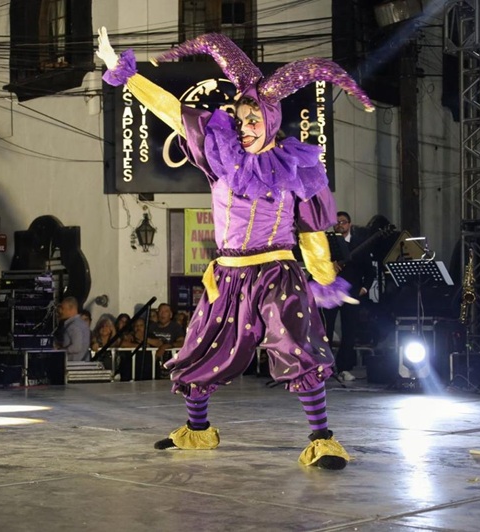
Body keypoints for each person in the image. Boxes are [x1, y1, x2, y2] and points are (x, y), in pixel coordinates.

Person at [97, 28, 373, 469]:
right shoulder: (222, 151)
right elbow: (171, 110)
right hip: (227, 275)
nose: (244, 128)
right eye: (241, 119)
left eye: (254, 121)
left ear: (271, 120)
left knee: (296, 347)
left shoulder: (294, 165)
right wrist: (125, 74)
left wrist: (324, 277)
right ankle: (197, 431)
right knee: (201, 348)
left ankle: (322, 439)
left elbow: (310, 230)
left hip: (276, 272)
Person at [322, 211, 376, 381]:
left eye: (343, 222)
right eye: (336, 222)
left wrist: (365, 288)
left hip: (351, 292)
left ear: (349, 224)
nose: (340, 225)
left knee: (349, 331)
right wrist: (329, 265)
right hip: (330, 291)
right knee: (325, 329)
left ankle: (344, 368)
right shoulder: (326, 243)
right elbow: (316, 264)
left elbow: (370, 270)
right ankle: (324, 367)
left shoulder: (359, 244)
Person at [53, 296, 91, 362]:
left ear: (71, 309)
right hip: (82, 363)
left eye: (62, 308)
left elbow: (76, 347)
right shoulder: (82, 323)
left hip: (74, 364)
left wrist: (60, 350)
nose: (60, 311)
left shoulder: (73, 326)